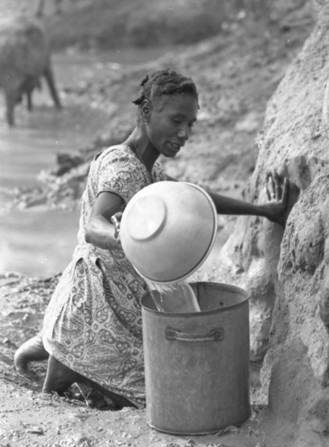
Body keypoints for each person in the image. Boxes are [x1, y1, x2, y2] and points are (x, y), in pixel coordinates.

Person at [14, 68, 290, 409]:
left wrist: (263, 210)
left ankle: (60, 353)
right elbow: (93, 224)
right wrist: (121, 234)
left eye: (190, 124)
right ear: (146, 112)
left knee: (168, 379)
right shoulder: (122, 166)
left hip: (120, 304)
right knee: (159, 398)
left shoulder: (151, 168)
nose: (185, 132)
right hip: (94, 303)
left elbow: (194, 197)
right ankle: (66, 362)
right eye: (176, 120)